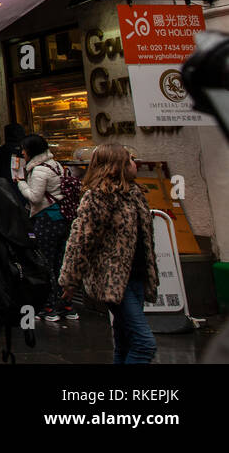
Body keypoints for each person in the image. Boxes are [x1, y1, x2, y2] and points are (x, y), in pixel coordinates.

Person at [59, 144, 158, 364]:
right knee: (144, 344)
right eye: (129, 159)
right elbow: (81, 240)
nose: (135, 163)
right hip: (112, 280)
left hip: (136, 276)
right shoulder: (98, 196)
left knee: (125, 341)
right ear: (116, 165)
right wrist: (70, 280)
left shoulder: (134, 193)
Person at [15, 134, 76, 322]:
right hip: (62, 219)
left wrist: (21, 183)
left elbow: (35, 197)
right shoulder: (55, 165)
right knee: (59, 263)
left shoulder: (40, 170)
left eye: (24, 149)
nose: (22, 152)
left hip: (46, 219)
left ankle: (48, 306)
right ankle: (65, 304)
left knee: (45, 263)